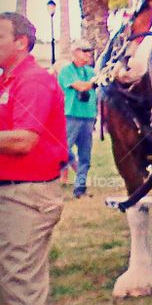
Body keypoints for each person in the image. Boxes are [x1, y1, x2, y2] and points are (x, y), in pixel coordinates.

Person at [0, 12, 69, 305]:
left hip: (25, 195)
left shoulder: (32, 81)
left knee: (21, 287)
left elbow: (24, 140)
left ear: (21, 42)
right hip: (21, 194)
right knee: (29, 286)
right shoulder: (12, 80)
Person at [58, 42, 97, 197]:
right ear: (74, 53)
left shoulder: (91, 71)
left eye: (90, 50)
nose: (89, 54)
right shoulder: (66, 71)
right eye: (85, 51)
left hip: (88, 116)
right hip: (71, 115)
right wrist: (97, 81)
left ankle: (80, 188)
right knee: (63, 150)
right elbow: (80, 87)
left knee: (85, 155)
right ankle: (59, 178)